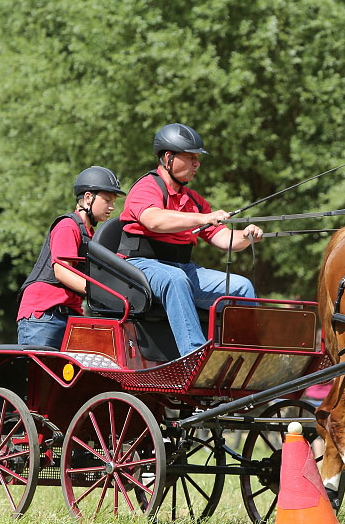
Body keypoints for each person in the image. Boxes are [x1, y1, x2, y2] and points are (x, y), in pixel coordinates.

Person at [119, 123, 264, 357]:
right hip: (140, 266)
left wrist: (246, 237)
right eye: (191, 157)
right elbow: (154, 220)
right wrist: (204, 217)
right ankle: (194, 356)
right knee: (175, 279)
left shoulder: (194, 200)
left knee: (241, 286)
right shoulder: (146, 187)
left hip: (182, 268)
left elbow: (225, 239)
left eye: (198, 158)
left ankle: (243, 356)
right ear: (169, 157)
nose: (197, 164)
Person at [17, 166, 126, 348]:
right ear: (89, 198)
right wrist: (100, 292)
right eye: (107, 200)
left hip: (70, 315)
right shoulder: (68, 225)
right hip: (45, 315)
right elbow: (62, 271)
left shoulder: (92, 237)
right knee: (40, 375)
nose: (112, 207)